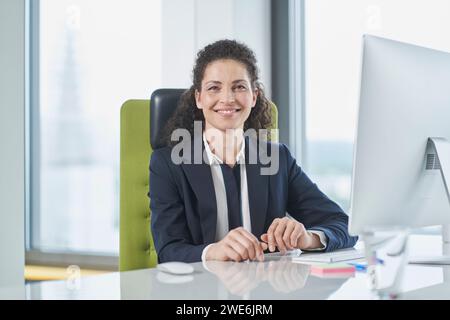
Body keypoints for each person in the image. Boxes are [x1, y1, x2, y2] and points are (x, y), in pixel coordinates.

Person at [149, 39, 358, 263]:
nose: (227, 98)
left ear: (254, 96)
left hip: (265, 290)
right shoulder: (168, 164)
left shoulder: (277, 159)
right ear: (199, 98)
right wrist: (212, 252)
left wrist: (307, 238)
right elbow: (169, 249)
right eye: (214, 88)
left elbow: (344, 225)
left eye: (239, 87)